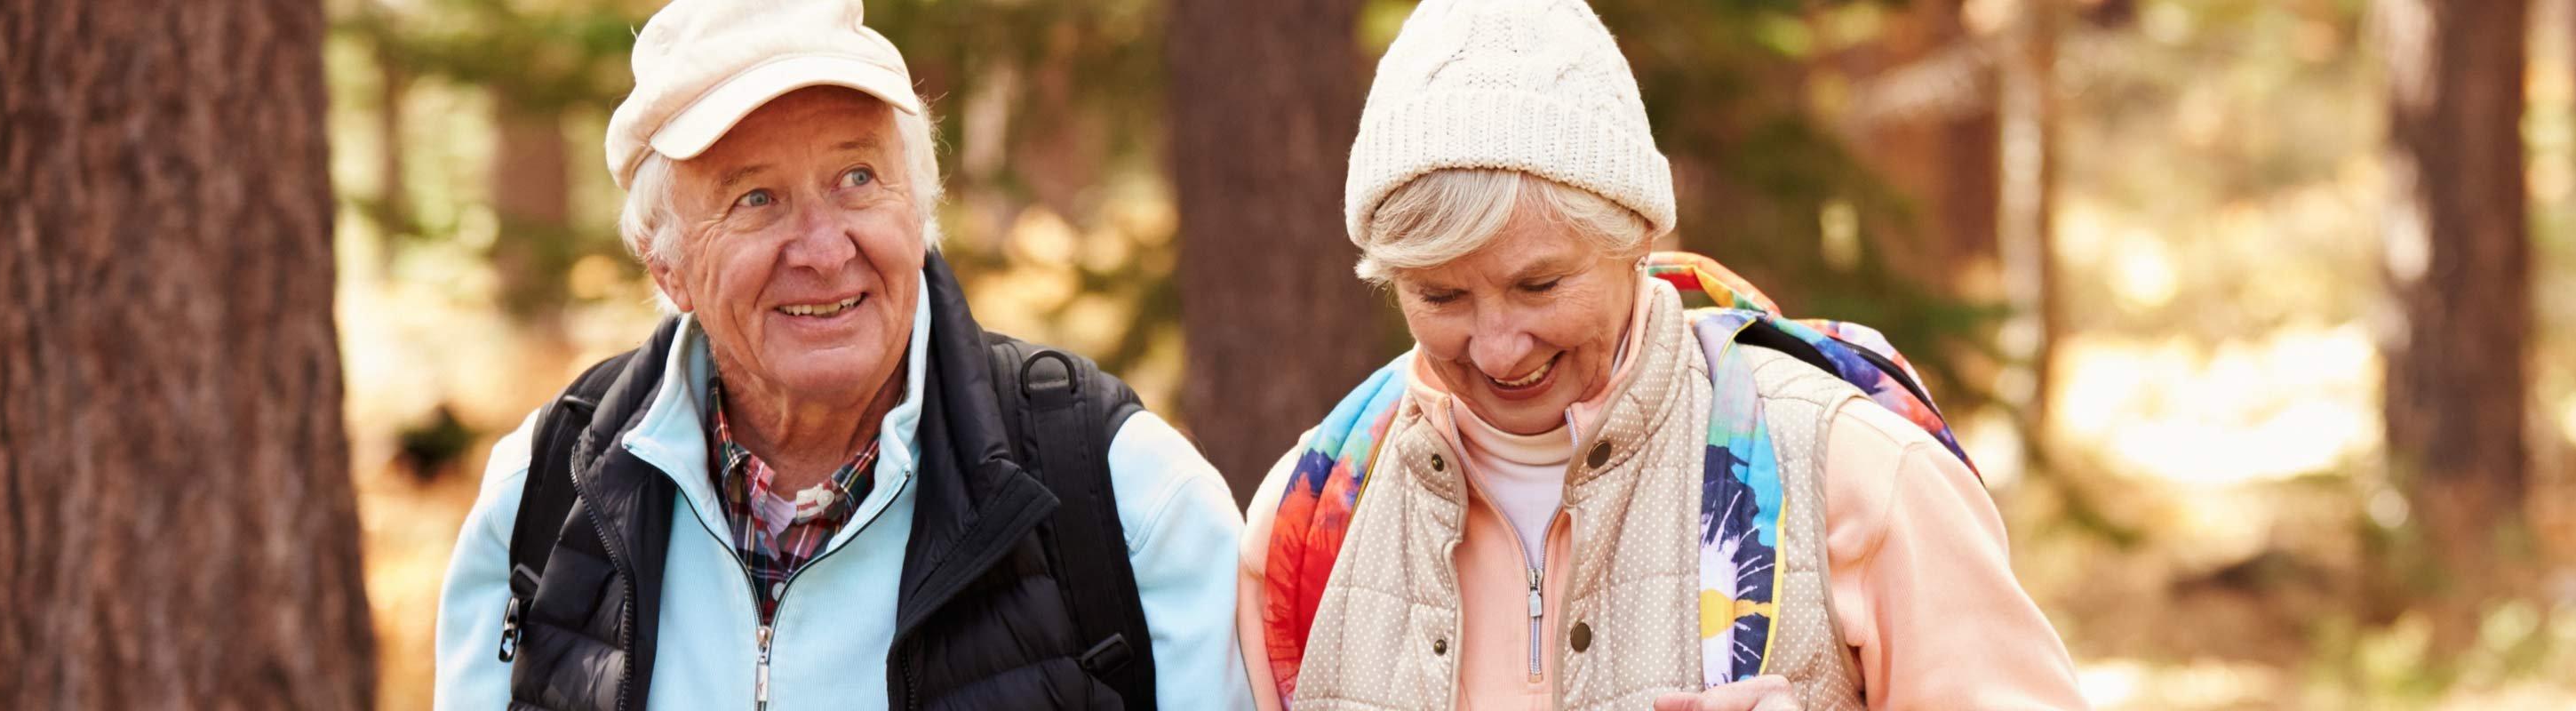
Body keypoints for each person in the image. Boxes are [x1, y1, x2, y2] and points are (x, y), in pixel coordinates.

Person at [1231, 0, 2090, 708]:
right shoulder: (1313, 518)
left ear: (1639, 235)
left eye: (1538, 287)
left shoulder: (1849, 471)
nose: (1496, 346)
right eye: (1441, 297)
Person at [429, 1, 1248, 707]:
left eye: (857, 177)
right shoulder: (540, 499)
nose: (823, 250)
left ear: (920, 205)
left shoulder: (1128, 494)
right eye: (756, 198)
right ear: (665, 262)